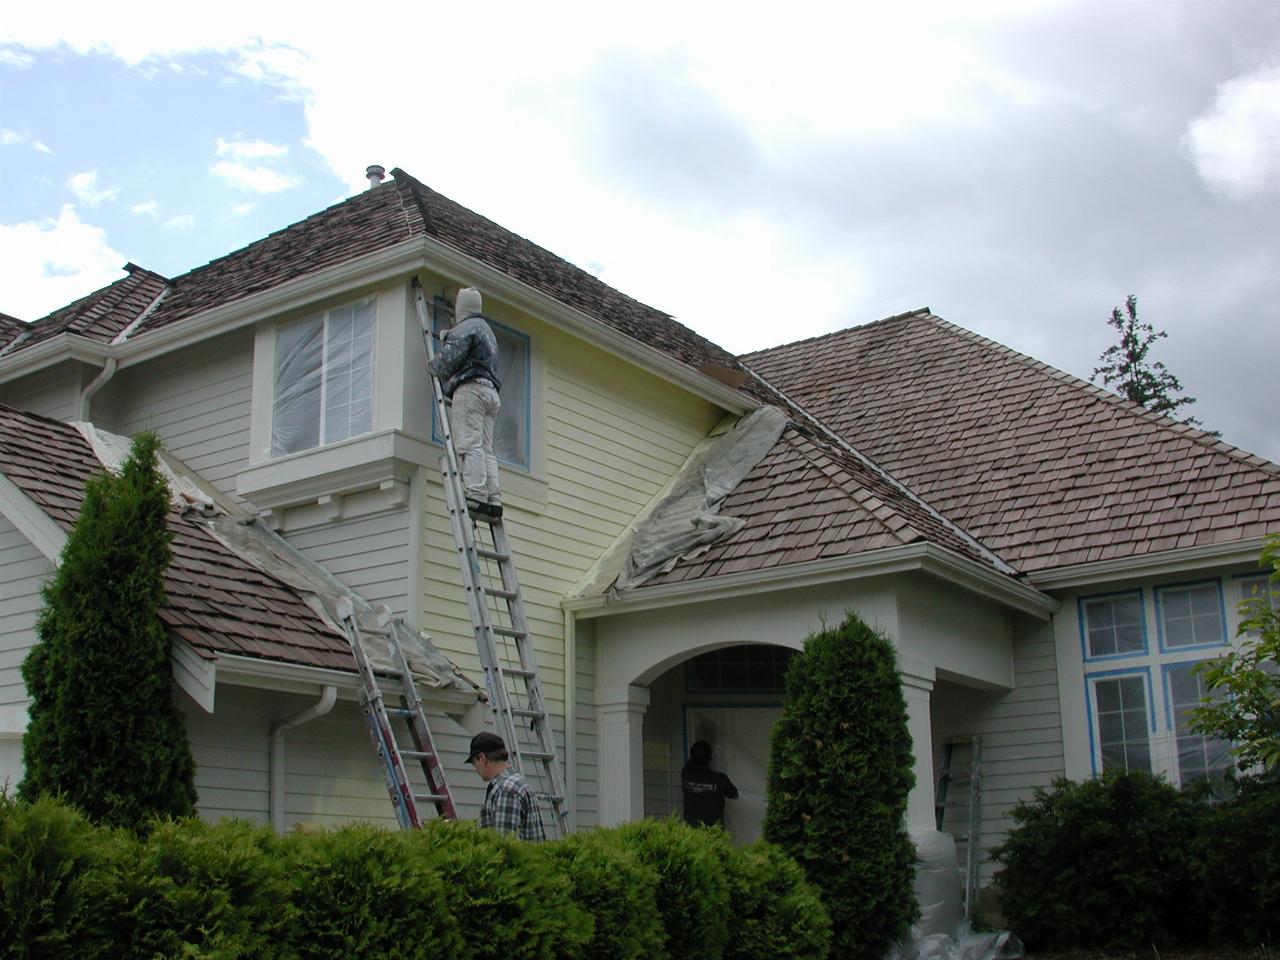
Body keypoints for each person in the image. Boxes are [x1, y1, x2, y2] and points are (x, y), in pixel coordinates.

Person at [429, 286, 502, 518]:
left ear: (463, 308)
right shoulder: (487, 331)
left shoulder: (466, 329)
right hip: (491, 393)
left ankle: (476, 495)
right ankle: (493, 497)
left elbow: (445, 363)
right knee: (485, 448)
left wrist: (432, 364)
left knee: (470, 445)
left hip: (471, 391)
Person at [465, 731, 546, 842]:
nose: (476, 769)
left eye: (475, 763)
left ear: (482, 758)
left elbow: (505, 846)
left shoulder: (506, 790)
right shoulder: (517, 782)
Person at [680, 739, 738, 827]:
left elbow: (688, 764)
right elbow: (734, 795)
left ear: (691, 757)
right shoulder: (720, 779)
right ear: (710, 758)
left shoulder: (686, 775)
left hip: (691, 833)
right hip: (713, 833)